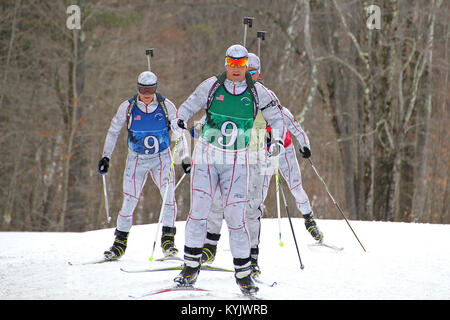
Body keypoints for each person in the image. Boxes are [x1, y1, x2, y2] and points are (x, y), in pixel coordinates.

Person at [170, 45, 285, 295]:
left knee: (236, 218)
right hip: (207, 157)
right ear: (225, 64)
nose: (235, 68)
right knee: (198, 212)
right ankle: (190, 269)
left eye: (240, 63)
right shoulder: (211, 85)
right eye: (231, 63)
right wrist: (180, 120)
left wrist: (276, 140)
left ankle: (244, 275)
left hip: (237, 161)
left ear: (246, 66)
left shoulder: (257, 92)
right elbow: (188, 107)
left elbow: (277, 118)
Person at [200, 53, 324, 276]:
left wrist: (303, 144)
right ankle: (225, 250)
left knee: (295, 187)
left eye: (254, 74)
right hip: (257, 157)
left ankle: (309, 219)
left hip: (282, 150)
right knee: (252, 203)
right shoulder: (237, 95)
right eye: (249, 74)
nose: (251, 78)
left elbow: (290, 123)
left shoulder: (266, 97)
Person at [97, 71, 190, 261]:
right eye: (143, 89)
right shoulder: (128, 107)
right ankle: (119, 243)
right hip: (136, 159)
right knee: (129, 200)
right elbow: (113, 131)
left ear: (155, 89)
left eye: (150, 90)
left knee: (169, 198)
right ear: (138, 88)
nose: (146, 94)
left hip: (162, 158)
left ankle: (168, 242)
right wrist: (106, 157)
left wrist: (185, 158)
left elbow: (179, 132)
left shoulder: (166, 106)